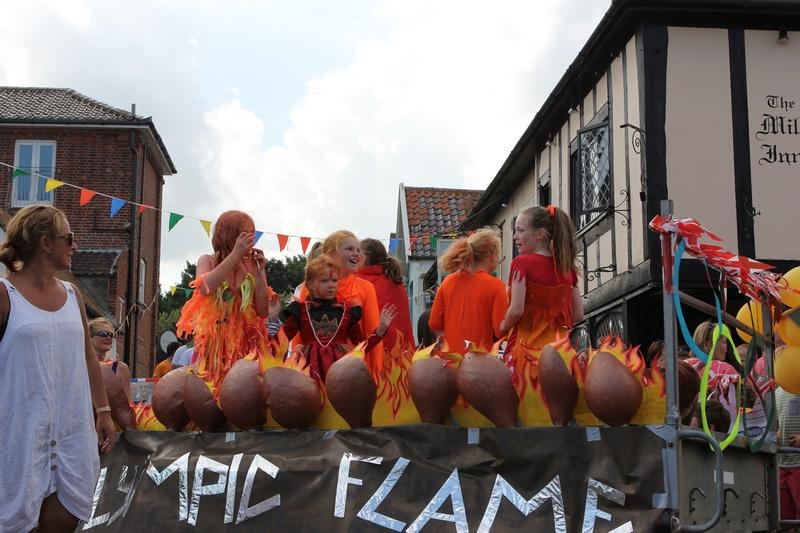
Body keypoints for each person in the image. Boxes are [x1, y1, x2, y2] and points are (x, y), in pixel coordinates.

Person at [0, 205, 115, 533]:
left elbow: (88, 357)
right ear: (45, 243)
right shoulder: (4, 294)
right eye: (69, 238)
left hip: (70, 431)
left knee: (62, 521)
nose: (74, 245)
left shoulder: (72, 294)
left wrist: (103, 411)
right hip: (19, 432)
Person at [176, 210, 273, 392]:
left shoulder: (253, 266)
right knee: (210, 392)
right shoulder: (208, 260)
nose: (252, 238)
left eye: (253, 233)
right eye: (246, 233)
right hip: (214, 344)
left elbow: (263, 311)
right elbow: (205, 288)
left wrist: (260, 273)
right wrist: (235, 255)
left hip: (246, 344)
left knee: (243, 394)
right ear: (229, 234)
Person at [282, 255, 396, 380]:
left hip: (341, 375)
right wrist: (271, 318)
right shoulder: (300, 310)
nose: (331, 285)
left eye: (335, 280)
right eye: (324, 281)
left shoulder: (347, 312)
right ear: (310, 283)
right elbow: (280, 343)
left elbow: (361, 348)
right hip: (307, 374)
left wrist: (380, 330)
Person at [499, 205, 583, 359]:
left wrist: (503, 325)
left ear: (539, 234)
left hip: (526, 354)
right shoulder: (566, 268)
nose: (515, 236)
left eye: (520, 230)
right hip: (560, 356)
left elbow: (516, 310)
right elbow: (578, 315)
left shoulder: (521, 263)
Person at [298, 231, 383, 371]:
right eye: (350, 249)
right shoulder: (309, 288)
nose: (356, 253)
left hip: (352, 371)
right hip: (315, 369)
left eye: (358, 250)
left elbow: (372, 333)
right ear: (331, 254)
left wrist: (376, 375)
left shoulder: (366, 288)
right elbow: (299, 337)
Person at [428, 228, 507, 354]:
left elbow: (434, 323)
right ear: (490, 255)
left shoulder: (448, 281)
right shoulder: (496, 286)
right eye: (498, 254)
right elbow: (500, 331)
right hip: (478, 363)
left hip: (449, 360)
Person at [356, 238, 415, 356]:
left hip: (374, 352)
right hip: (401, 353)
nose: (354, 256)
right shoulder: (396, 281)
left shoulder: (359, 282)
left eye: (357, 252)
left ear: (365, 258)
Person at [685, 320, 740, 425]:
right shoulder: (724, 369)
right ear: (710, 344)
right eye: (724, 342)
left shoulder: (682, 367)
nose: (727, 349)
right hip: (716, 434)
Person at [89, 317, 131, 400]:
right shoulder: (80, 365)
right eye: (103, 333)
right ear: (90, 337)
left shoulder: (120, 368)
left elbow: (127, 405)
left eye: (111, 335)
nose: (108, 337)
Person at [776, 387, 800, 520]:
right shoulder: (777, 392)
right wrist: (777, 434)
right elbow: (778, 422)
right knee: (786, 517)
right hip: (782, 463)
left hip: (798, 462)